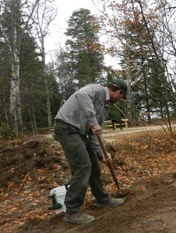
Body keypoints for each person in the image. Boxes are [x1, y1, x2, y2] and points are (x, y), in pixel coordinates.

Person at [54, 79, 127, 224]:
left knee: (94, 164)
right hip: (66, 128)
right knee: (83, 166)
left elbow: (95, 134)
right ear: (118, 92)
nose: (120, 100)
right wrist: (93, 122)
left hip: (79, 132)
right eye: (121, 97)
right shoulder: (95, 89)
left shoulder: (104, 108)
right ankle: (72, 211)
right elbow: (80, 96)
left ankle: (102, 199)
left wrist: (102, 154)